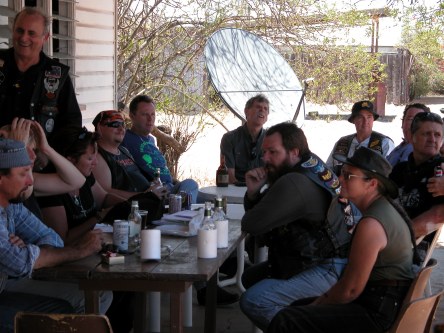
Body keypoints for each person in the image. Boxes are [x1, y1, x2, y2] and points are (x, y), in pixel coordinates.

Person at [267, 147, 417, 333]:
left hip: (377, 311)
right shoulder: (382, 208)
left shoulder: (371, 224)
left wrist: (318, 305)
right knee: (296, 307)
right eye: (341, 173)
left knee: (286, 320)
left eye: (349, 176)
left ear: (371, 184)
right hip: (381, 300)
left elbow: (350, 290)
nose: (339, 179)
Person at [240, 122, 351, 331]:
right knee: (250, 277)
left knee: (253, 300)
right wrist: (254, 192)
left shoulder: (294, 181)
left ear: (294, 152)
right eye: (264, 152)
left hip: (329, 267)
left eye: (273, 152)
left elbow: (252, 224)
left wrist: (254, 195)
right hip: (333, 259)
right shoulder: (312, 165)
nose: (265, 159)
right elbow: (264, 214)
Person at [0, 138, 112, 332]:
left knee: (99, 292)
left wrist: (27, 250)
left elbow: (53, 240)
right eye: (23, 174)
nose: (30, 181)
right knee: (71, 304)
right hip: (5, 288)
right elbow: (19, 262)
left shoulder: (12, 207)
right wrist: (78, 250)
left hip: (9, 280)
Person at [37, 126, 134, 333]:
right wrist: (97, 217)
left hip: (92, 250)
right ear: (70, 161)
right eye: (90, 158)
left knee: (130, 283)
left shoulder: (86, 178)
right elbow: (62, 240)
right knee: (116, 287)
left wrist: (132, 205)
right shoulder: (51, 192)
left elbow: (104, 197)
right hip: (69, 261)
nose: (95, 162)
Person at [0, 7, 82, 141]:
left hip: (40, 158)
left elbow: (71, 124)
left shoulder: (57, 75)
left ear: (46, 38)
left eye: (31, 33)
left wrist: (49, 153)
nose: (24, 38)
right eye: (20, 30)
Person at [0, 118, 86, 218]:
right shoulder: (13, 184)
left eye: (33, 149)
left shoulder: (32, 180)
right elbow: (20, 191)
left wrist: (46, 149)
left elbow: (77, 181)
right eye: (24, 149)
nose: (33, 156)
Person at [121, 95, 199, 203]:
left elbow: (160, 169)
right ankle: (181, 210)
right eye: (145, 114)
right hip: (155, 193)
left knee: (210, 198)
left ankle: (181, 206)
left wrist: (174, 182)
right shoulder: (125, 138)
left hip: (170, 188)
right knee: (191, 184)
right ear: (132, 116)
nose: (150, 119)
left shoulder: (151, 140)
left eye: (153, 114)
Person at [390, 112, 444, 237]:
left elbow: (439, 215)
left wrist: (397, 238)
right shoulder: (399, 170)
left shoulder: (440, 171)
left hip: (412, 245)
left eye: (437, 135)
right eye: (426, 134)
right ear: (412, 136)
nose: (432, 139)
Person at [326, 100, 394, 175]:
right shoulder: (342, 142)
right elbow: (328, 170)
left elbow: (390, 175)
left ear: (373, 119)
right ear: (353, 120)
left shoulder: (384, 143)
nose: (365, 121)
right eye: (360, 117)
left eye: (369, 117)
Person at [220, 94, 269, 184]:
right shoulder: (230, 139)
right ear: (246, 111)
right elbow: (229, 177)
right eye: (258, 107)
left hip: (265, 191)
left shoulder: (272, 140)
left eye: (265, 109)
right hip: (236, 190)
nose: (262, 110)